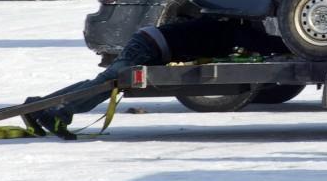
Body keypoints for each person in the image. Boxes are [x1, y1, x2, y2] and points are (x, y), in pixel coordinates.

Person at [23, 17, 280, 140]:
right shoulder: (236, 30)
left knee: (104, 82)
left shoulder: (228, 26)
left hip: (149, 44)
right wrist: (289, 45)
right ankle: (58, 111)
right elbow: (260, 42)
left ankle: (41, 105)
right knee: (108, 84)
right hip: (149, 47)